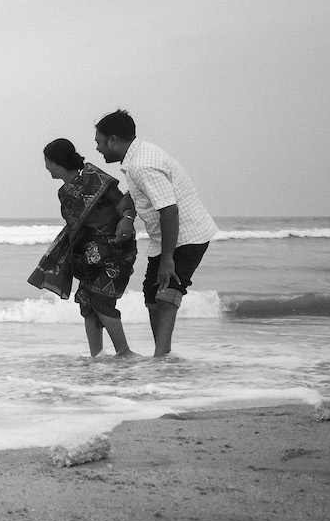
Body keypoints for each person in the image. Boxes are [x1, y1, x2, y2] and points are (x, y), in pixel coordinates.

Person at [94, 109, 217, 357]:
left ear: (113, 140)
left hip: (187, 234)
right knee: (151, 296)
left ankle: (161, 358)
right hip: (165, 237)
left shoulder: (142, 165)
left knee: (166, 294)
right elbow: (143, 194)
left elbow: (169, 209)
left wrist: (168, 259)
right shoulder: (137, 157)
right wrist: (128, 215)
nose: (97, 149)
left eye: (99, 142)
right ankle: (163, 357)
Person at [29, 138, 138, 357]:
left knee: (101, 300)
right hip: (87, 257)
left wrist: (128, 218)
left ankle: (124, 352)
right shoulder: (64, 193)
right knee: (87, 303)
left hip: (115, 251)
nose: (46, 167)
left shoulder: (95, 178)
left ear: (56, 162)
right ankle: (97, 356)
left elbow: (125, 203)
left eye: (47, 161)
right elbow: (76, 226)